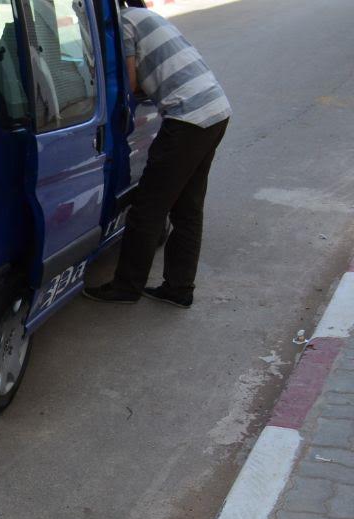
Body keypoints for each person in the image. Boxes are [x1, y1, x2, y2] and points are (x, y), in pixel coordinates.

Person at [84, 0, 231, 308]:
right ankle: (179, 288)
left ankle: (126, 287)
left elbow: (129, 82)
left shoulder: (122, 24)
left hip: (188, 118)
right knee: (187, 207)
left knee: (148, 207)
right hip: (215, 110)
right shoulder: (144, 16)